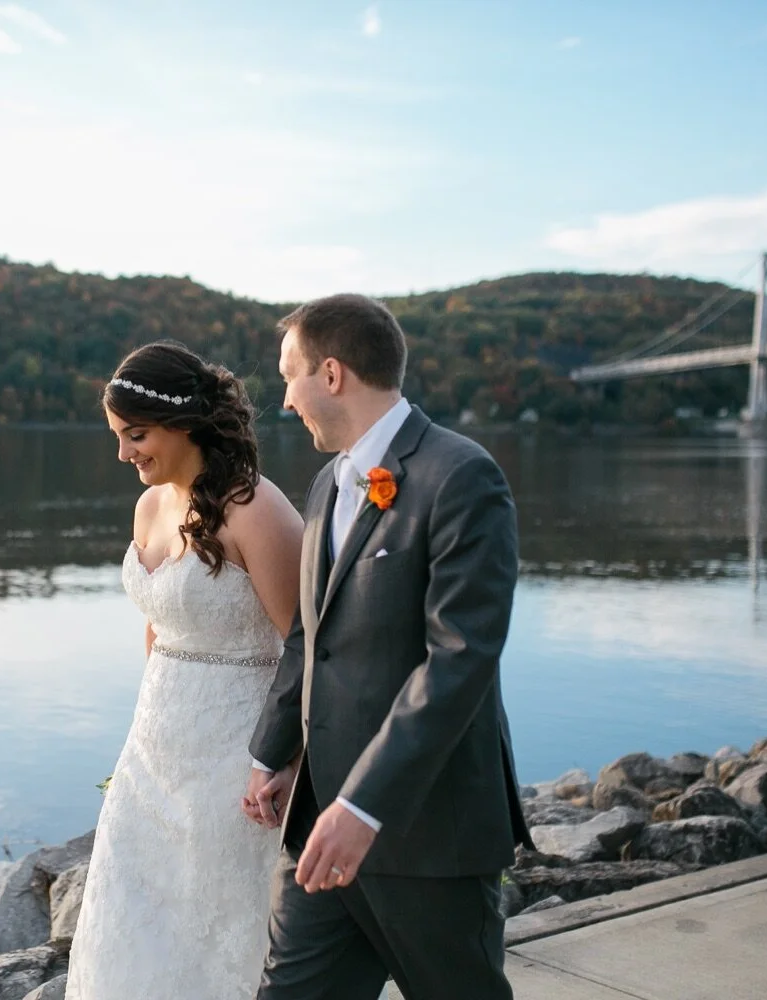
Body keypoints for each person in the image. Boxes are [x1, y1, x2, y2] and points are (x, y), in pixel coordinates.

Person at [244, 293, 534, 1000]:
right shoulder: (325, 484)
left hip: (426, 833)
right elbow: (309, 637)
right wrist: (273, 751)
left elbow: (460, 661)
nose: (285, 400)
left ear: (332, 374)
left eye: (291, 376)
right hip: (319, 821)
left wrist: (365, 805)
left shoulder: (461, 477)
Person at [64, 341, 305, 1000]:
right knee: (133, 921)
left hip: (235, 760)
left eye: (135, 435)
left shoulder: (257, 511)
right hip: (152, 754)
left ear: (182, 424)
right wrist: (150, 733)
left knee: (214, 927)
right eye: (117, 437)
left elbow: (308, 647)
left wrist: (282, 757)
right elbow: (160, 623)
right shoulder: (149, 507)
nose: (124, 453)